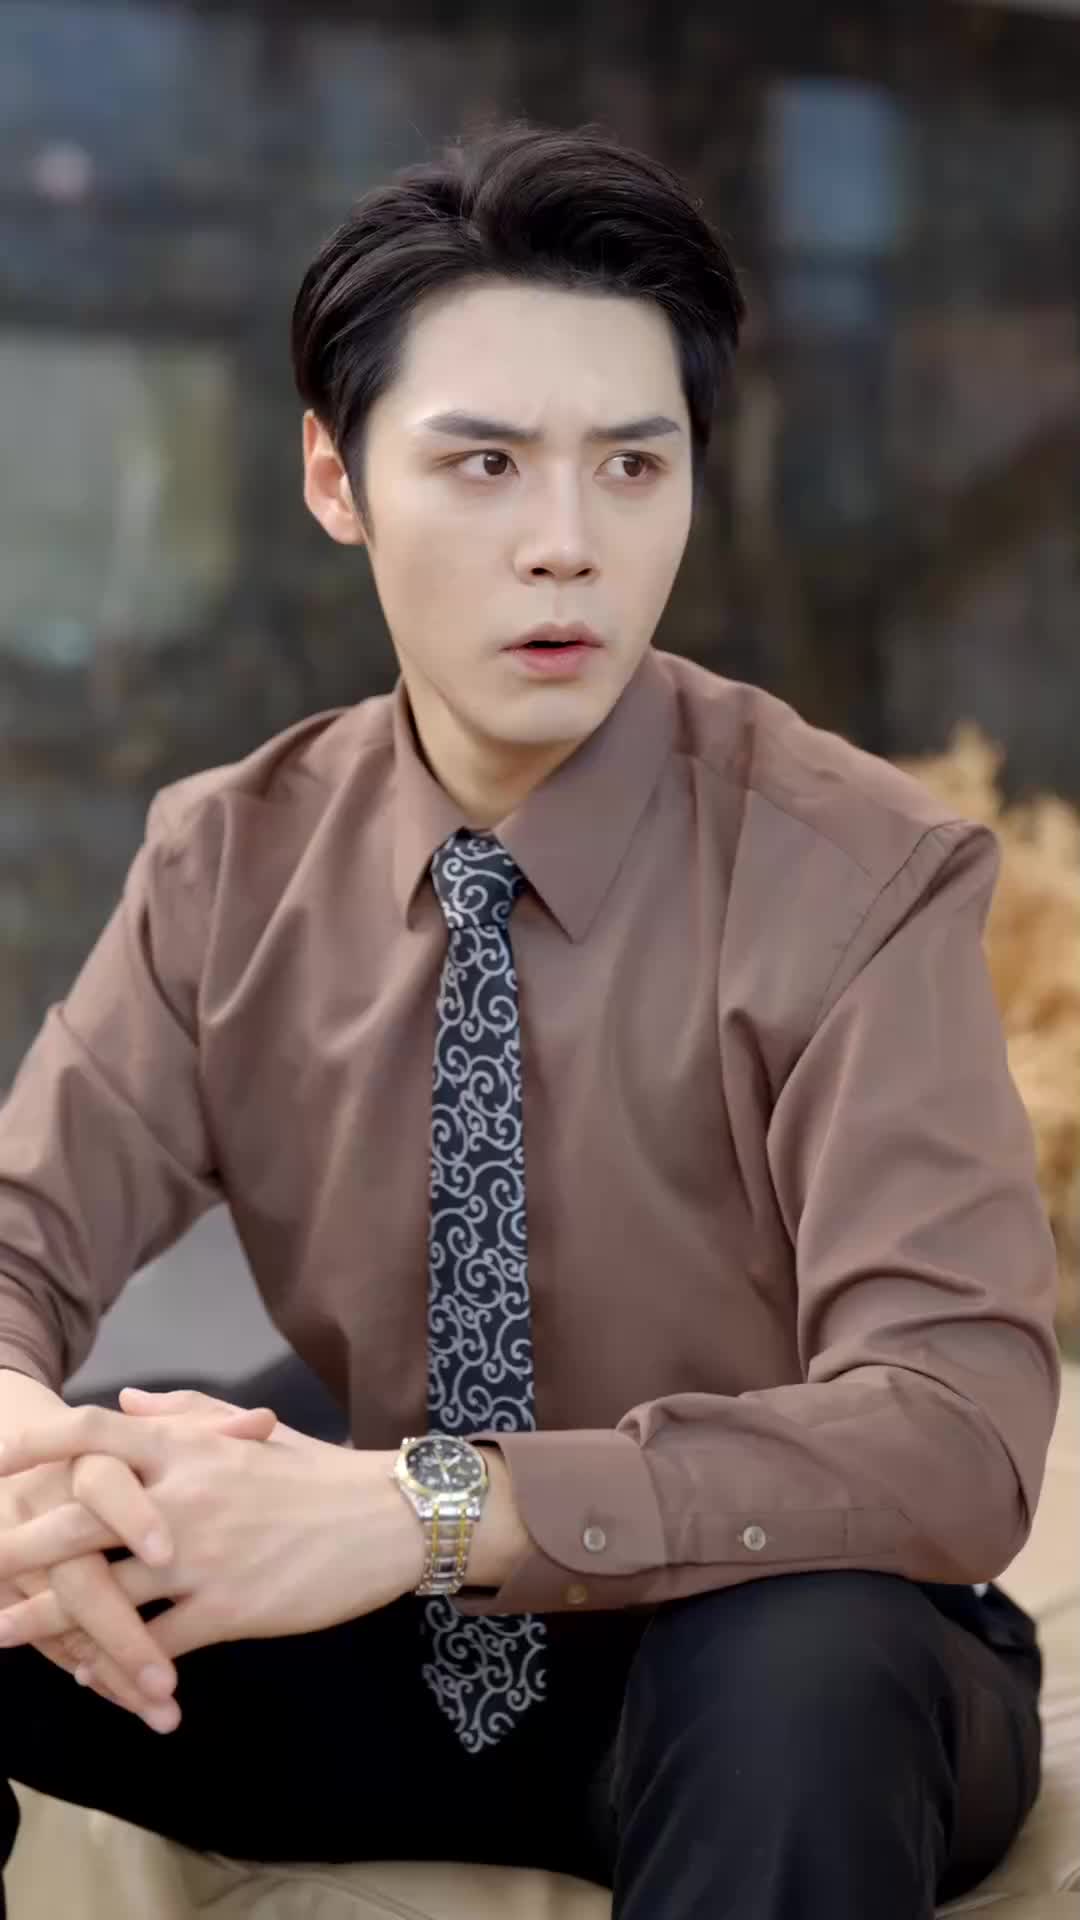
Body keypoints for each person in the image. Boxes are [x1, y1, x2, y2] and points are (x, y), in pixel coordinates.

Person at [0, 119, 1061, 1920]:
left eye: (631, 467)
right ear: (335, 478)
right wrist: (23, 1453)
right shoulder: (229, 858)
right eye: (484, 463)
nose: (567, 547)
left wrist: (418, 1509)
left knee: (805, 1659)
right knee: (55, 1504)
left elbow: (957, 1429)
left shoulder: (862, 877)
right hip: (363, 1652)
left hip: (762, 1666)